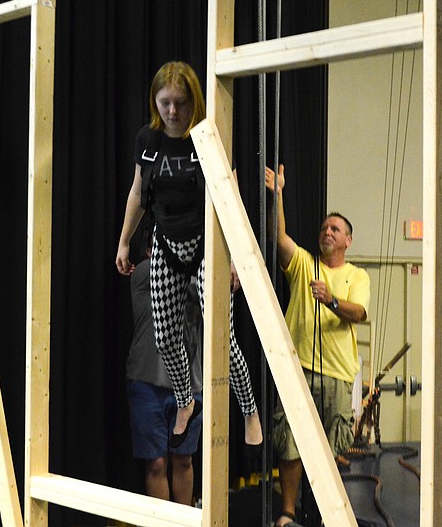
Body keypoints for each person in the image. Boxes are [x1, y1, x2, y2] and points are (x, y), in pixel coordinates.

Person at [116, 61, 262, 450]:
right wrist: (124, 241)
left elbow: (232, 201)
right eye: (165, 103)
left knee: (223, 340)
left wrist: (236, 258)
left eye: (180, 103)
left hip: (206, 248)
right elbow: (136, 193)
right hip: (165, 244)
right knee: (165, 339)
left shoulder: (208, 139)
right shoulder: (147, 140)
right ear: (155, 101)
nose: (173, 112)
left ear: (192, 101)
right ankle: (184, 399)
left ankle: (248, 410)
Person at [264, 164, 370, 527]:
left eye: (335, 229)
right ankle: (287, 514)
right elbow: (280, 240)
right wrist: (278, 193)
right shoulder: (304, 264)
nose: (327, 231)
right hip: (297, 368)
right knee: (289, 441)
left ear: (347, 241)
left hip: (337, 373)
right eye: (325, 227)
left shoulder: (356, 275)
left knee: (331, 445)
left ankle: (329, 511)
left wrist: (332, 301)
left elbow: (359, 313)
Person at [126, 244, 203, 505]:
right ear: (150, 250)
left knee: (184, 460)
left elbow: (210, 288)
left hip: (190, 384)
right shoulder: (142, 275)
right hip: (148, 383)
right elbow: (180, 277)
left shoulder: (195, 277)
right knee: (156, 463)